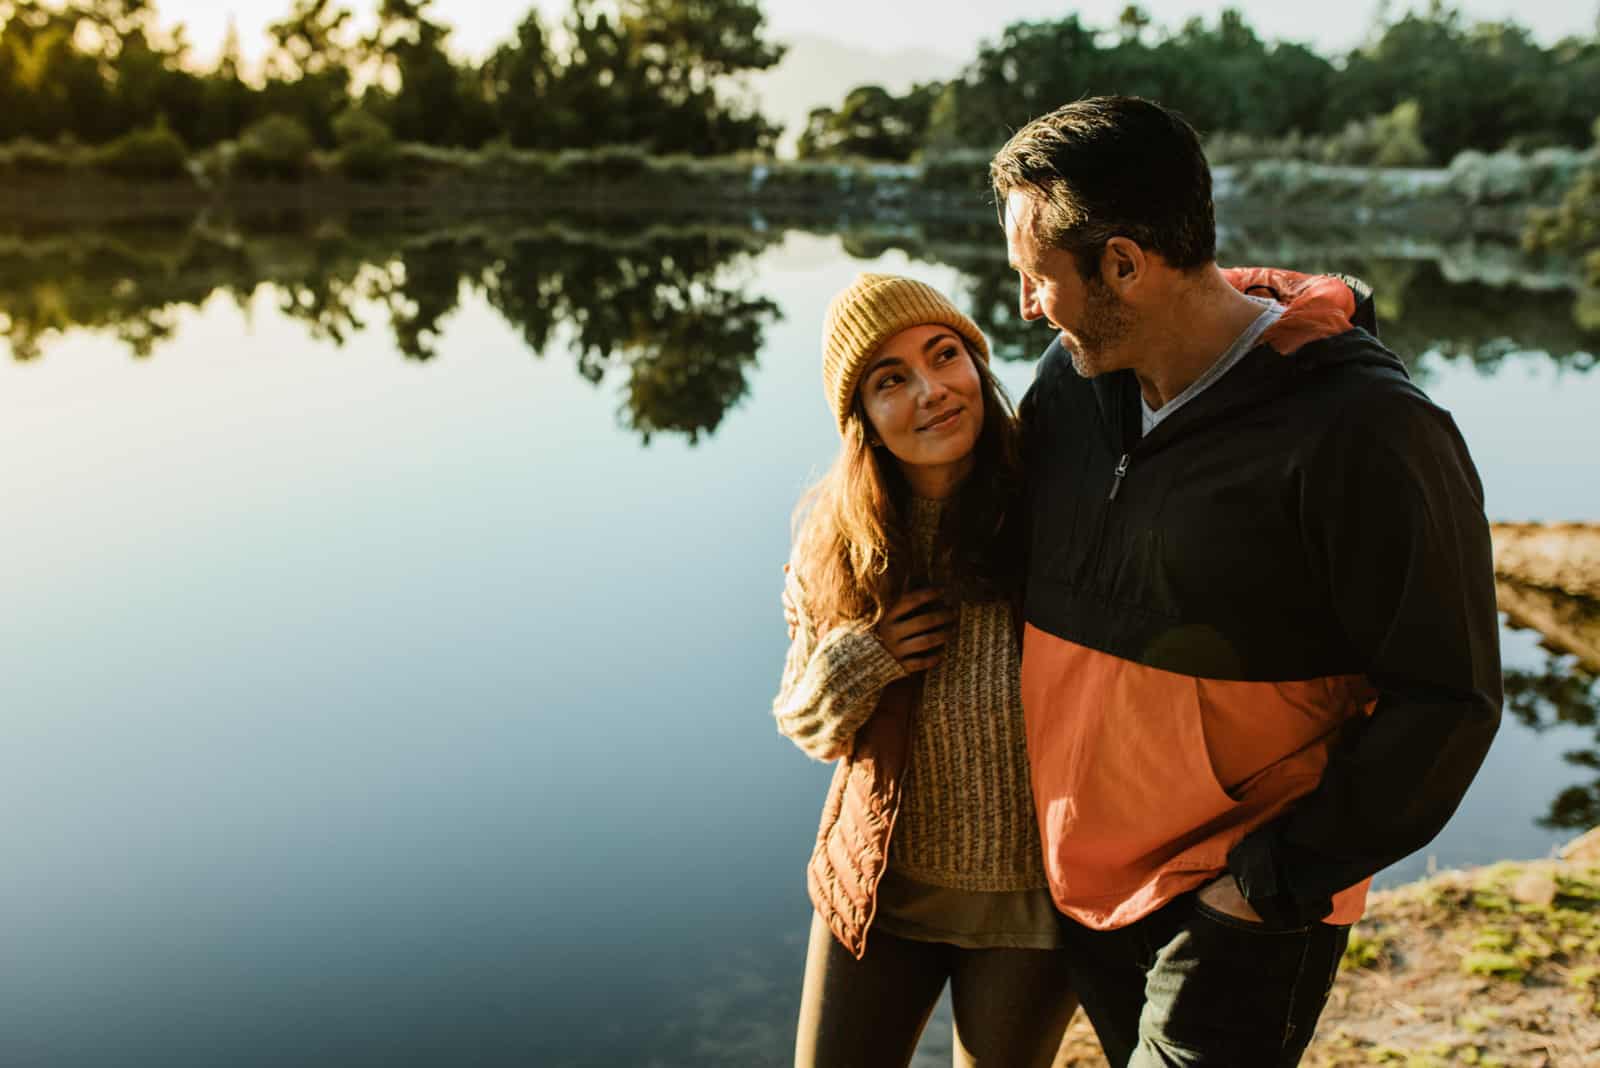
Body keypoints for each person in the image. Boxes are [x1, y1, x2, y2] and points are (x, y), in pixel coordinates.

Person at [989, 95, 1504, 1066]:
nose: (1024, 307)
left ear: (1125, 265)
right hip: (1090, 887)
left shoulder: (1365, 432)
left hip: (1238, 905)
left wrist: (1268, 880)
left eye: (1035, 277)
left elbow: (1449, 698)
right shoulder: (1069, 390)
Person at [772, 273, 1078, 1068]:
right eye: (891, 380)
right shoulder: (836, 545)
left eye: (946, 356)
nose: (931, 390)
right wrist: (863, 656)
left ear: (978, 365)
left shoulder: (1056, 506)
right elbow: (803, 721)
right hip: (881, 891)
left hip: (1031, 910)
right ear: (863, 419)